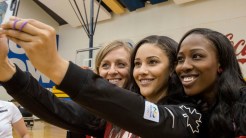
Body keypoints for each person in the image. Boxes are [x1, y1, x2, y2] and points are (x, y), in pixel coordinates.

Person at [0, 17, 203, 138]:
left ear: (172, 69)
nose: (141, 71)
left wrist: (55, 65)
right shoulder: (106, 117)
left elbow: (141, 113)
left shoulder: (188, 115)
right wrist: (6, 70)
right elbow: (54, 106)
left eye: (152, 62)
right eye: (138, 64)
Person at [175, 28, 246, 137]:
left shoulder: (242, 103)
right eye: (180, 59)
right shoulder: (186, 110)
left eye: (196, 56)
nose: (184, 66)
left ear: (220, 64)